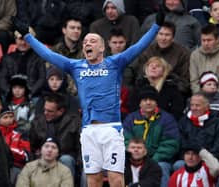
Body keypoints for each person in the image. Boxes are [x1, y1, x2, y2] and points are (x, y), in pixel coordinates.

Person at [13, 10, 164, 187]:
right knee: (93, 180)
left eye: (92, 41)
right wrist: (27, 36)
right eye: (85, 42)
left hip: (111, 129)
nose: (87, 44)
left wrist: (156, 27)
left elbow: (138, 47)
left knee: (116, 179)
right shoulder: (75, 66)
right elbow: (49, 55)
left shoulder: (115, 63)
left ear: (102, 47)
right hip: (89, 131)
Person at [123, 86, 180, 187]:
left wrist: (152, 160)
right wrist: (134, 155)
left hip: (158, 159)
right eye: (145, 100)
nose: (148, 102)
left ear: (156, 102)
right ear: (140, 103)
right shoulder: (130, 119)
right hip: (133, 158)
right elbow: (125, 140)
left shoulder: (167, 119)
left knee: (160, 167)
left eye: (151, 100)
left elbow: (171, 144)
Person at [30, 93, 81, 177]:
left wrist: (79, 164)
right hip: (43, 157)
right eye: (44, 110)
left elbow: (79, 147)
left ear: (61, 111)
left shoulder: (74, 122)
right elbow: (32, 147)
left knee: (66, 159)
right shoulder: (38, 121)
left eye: (50, 111)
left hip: (65, 157)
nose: (45, 113)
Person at [174, 92, 219, 170]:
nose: (193, 108)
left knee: (216, 167)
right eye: (192, 105)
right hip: (188, 160)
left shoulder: (217, 123)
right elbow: (180, 143)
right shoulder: (183, 122)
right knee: (178, 165)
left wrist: (204, 157)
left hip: (209, 160)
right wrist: (191, 157)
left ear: (206, 107)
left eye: (197, 105)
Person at [130, 56, 185, 121]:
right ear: (146, 69)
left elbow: (177, 111)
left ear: (164, 71)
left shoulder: (171, 88)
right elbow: (133, 107)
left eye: (158, 66)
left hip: (165, 124)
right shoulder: (139, 86)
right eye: (151, 65)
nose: (153, 67)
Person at [190, 24, 219, 97]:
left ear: (217, 39)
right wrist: (201, 96)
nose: (206, 43)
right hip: (199, 97)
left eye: (209, 40)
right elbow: (194, 81)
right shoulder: (195, 55)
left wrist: (215, 97)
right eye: (203, 40)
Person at [0, 30, 46, 99]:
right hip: (10, 96)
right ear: (15, 40)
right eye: (20, 39)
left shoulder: (39, 59)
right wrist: (11, 92)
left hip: (33, 96)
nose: (23, 43)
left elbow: (42, 79)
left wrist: (29, 93)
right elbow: (2, 79)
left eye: (27, 40)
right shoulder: (7, 58)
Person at [0, 107, 30, 184]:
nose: (9, 120)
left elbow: (26, 155)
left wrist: (7, 150)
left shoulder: (20, 133)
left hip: (16, 166)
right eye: (5, 117)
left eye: (11, 117)